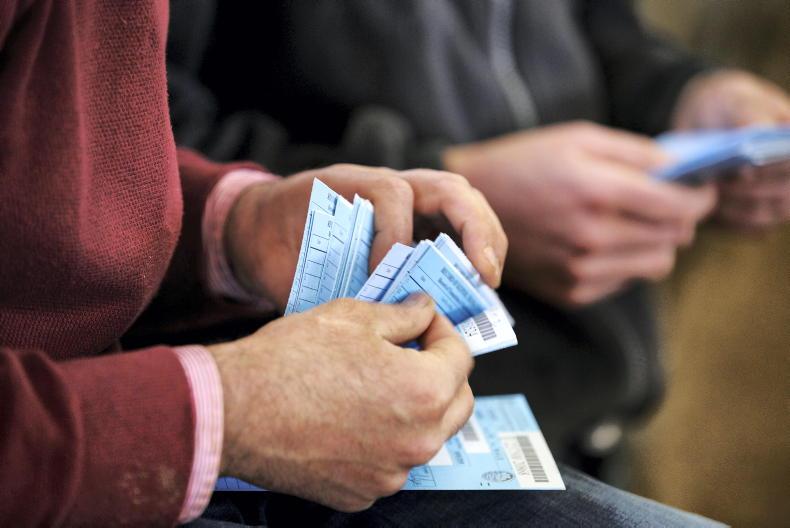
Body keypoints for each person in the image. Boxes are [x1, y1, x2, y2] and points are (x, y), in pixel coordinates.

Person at [0, 1, 724, 526]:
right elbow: (172, 105)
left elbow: (71, 153)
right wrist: (225, 412)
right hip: (159, 441)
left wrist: (232, 225)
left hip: (563, 392)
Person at [169, 0, 790, 473]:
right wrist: (441, 187)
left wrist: (680, 94)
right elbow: (140, 164)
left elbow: (596, 27)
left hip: (591, 416)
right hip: (358, 439)